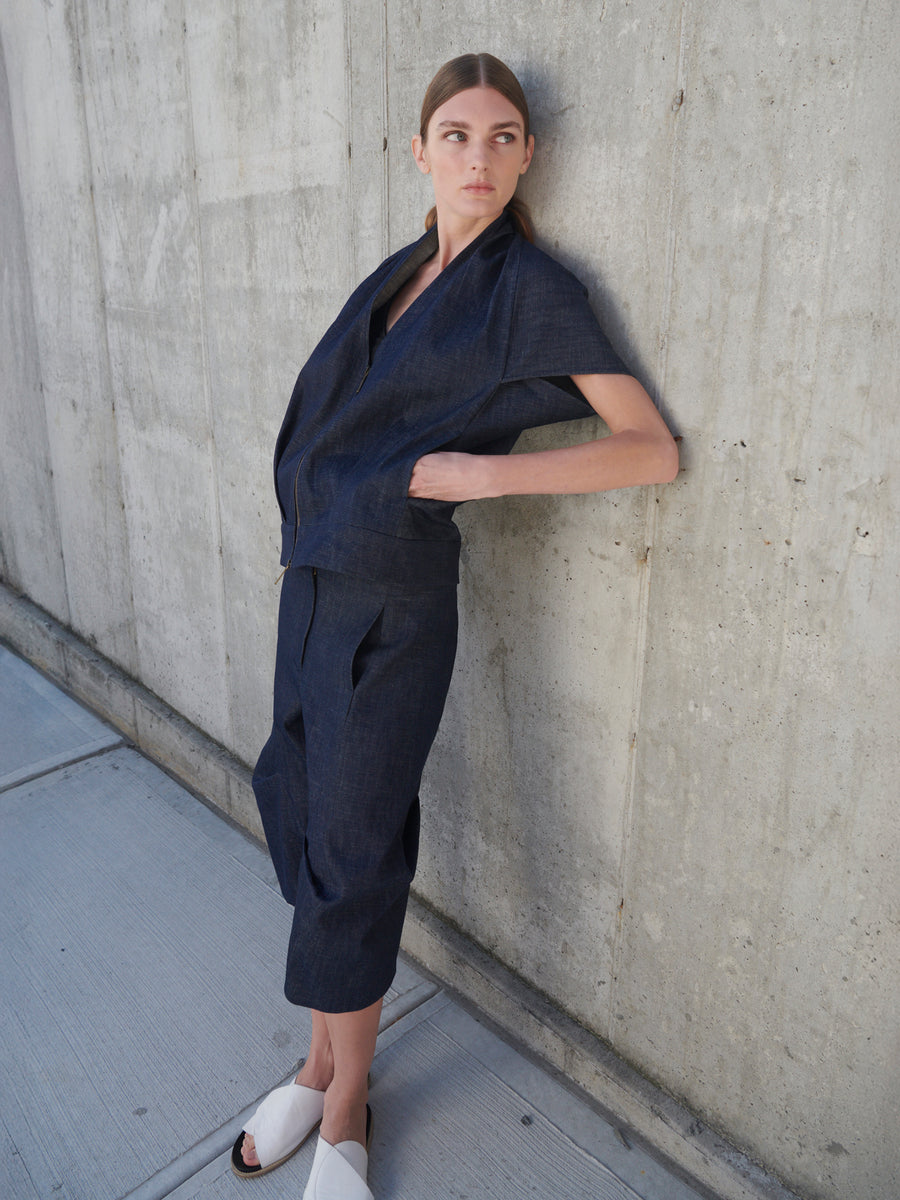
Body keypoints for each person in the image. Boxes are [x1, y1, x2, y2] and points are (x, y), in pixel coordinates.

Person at [232, 52, 678, 1200]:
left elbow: (648, 447)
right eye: (458, 134)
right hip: (316, 579)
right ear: (419, 149)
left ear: (528, 155)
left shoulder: (530, 288)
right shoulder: (403, 275)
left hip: (395, 600)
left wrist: (484, 474)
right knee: (298, 800)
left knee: (357, 845)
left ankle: (343, 1113)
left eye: (503, 136)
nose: (478, 156)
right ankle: (322, 1056)